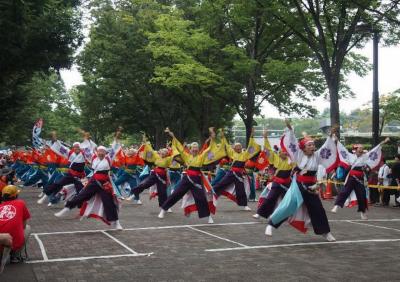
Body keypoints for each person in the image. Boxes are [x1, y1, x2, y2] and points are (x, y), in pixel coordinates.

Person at [266, 120, 337, 242]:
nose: (312, 147)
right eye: (309, 145)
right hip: (298, 185)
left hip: (311, 186)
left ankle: (325, 232)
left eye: (313, 145)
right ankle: (271, 224)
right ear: (303, 148)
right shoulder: (298, 155)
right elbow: (292, 141)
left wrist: (330, 136)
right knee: (288, 206)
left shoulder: (317, 155)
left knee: (318, 208)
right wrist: (290, 130)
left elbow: (326, 145)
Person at [158, 127, 218, 223]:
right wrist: (172, 135)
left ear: (198, 149)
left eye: (196, 148)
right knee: (176, 193)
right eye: (193, 148)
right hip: (187, 178)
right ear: (190, 149)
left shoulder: (201, 156)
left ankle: (208, 216)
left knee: (201, 198)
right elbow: (179, 146)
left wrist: (212, 136)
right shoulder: (186, 155)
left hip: (197, 179)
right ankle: (163, 210)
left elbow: (210, 148)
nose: (194, 149)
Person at [55, 146, 122, 229]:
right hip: (94, 182)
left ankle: (116, 222)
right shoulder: (93, 157)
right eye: (99, 151)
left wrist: (116, 139)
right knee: (81, 196)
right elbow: (85, 149)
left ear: (105, 153)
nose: (101, 153)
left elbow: (114, 150)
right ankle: (67, 208)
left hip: (104, 184)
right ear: (97, 152)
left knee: (108, 202)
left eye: (103, 152)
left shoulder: (109, 158)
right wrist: (85, 141)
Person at [331, 138, 389, 219]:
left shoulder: (365, 156)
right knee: (345, 191)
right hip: (351, 177)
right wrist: (336, 140)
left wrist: (384, 142)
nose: (361, 149)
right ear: (356, 149)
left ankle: (362, 212)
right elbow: (341, 148)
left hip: (360, 178)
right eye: (360, 148)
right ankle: (336, 206)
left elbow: (376, 149)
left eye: (362, 148)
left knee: (362, 195)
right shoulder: (350, 156)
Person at [212, 128, 261, 211]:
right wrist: (223, 136)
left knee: (241, 189)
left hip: (239, 175)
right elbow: (226, 145)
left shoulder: (245, 154)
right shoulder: (232, 153)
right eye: (237, 147)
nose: (239, 149)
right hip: (231, 173)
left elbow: (250, 146)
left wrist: (252, 135)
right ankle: (212, 196)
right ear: (234, 148)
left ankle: (244, 205)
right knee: (221, 184)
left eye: (240, 147)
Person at [253, 129, 294, 219]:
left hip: (287, 183)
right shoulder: (275, 157)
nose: (285, 153)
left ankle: (289, 215)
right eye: (283, 151)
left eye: (286, 152)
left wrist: (290, 135)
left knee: (288, 200)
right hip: (277, 182)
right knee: (270, 198)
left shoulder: (291, 160)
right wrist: (265, 137)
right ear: (279, 152)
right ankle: (259, 213)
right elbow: (268, 149)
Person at [0, 185, 31, 262]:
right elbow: (23, 225)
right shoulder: (21, 203)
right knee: (27, 228)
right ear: (16, 195)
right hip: (11, 243)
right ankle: (15, 255)